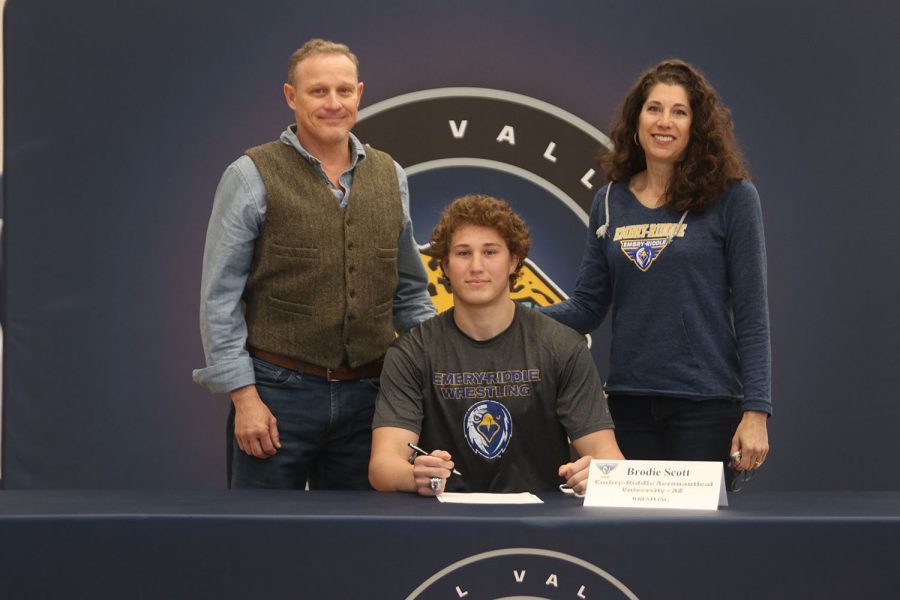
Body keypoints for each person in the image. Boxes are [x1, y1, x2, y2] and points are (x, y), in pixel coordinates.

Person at [193, 39, 435, 490]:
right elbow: (219, 298)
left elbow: (410, 295)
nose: (333, 103)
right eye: (318, 91)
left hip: (371, 399)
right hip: (276, 398)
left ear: (359, 94)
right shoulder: (250, 174)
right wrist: (245, 398)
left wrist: (447, 367)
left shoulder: (391, 176)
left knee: (360, 546)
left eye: (344, 91)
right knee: (262, 541)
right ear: (291, 96)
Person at [541, 59, 770, 479]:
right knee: (629, 538)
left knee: (696, 543)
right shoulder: (609, 200)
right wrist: (512, 315)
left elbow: (752, 313)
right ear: (636, 120)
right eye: (654, 109)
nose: (665, 122)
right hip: (627, 405)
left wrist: (757, 411)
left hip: (705, 406)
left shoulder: (733, 198)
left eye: (679, 112)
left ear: (695, 126)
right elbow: (587, 307)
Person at [369, 195, 623, 496]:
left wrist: (596, 474)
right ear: (445, 266)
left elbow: (608, 458)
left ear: (514, 261)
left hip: (541, 527)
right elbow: (383, 466)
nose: (476, 266)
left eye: (490, 252)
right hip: (441, 523)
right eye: (463, 253)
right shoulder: (411, 352)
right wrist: (416, 476)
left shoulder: (562, 346)